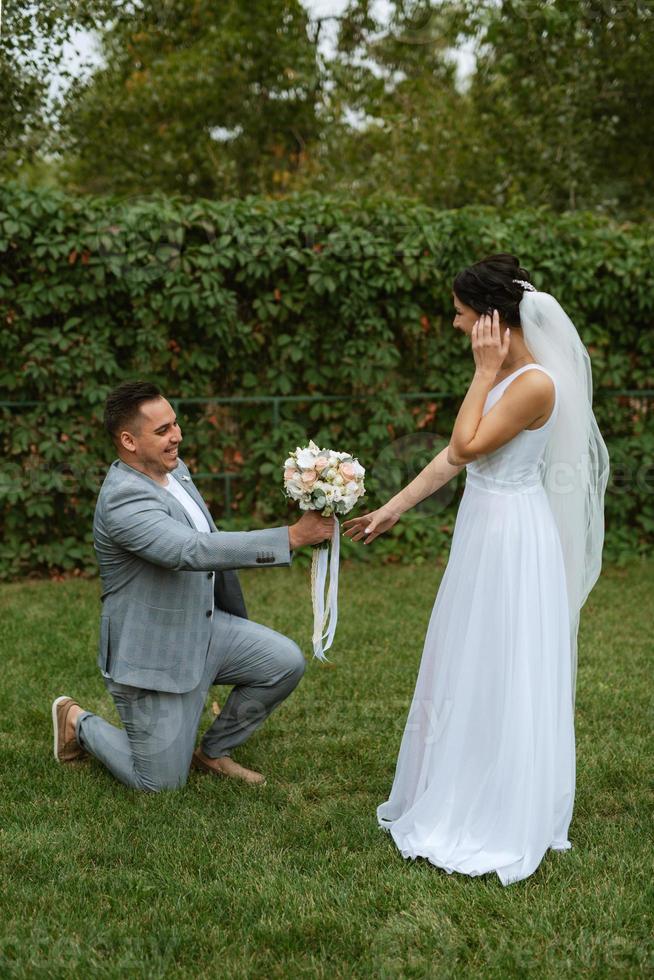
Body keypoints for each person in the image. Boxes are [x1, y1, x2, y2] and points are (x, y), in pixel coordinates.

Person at [344, 254, 609, 885]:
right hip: (483, 531)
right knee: (468, 657)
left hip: (515, 538)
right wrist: (393, 508)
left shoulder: (536, 384)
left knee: (504, 660)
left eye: (462, 314)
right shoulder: (503, 377)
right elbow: (453, 458)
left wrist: (482, 372)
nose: (457, 325)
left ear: (492, 318)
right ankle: (462, 776)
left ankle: (502, 805)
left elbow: (466, 444)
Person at [52, 381, 333, 791]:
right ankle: (77, 722)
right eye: (163, 430)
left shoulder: (175, 472)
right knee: (159, 784)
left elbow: (206, 540)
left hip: (204, 628)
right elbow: (190, 550)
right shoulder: (122, 501)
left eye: (176, 424)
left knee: (283, 662)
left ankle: (214, 750)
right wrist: (289, 537)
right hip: (155, 653)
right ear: (128, 441)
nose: (177, 435)